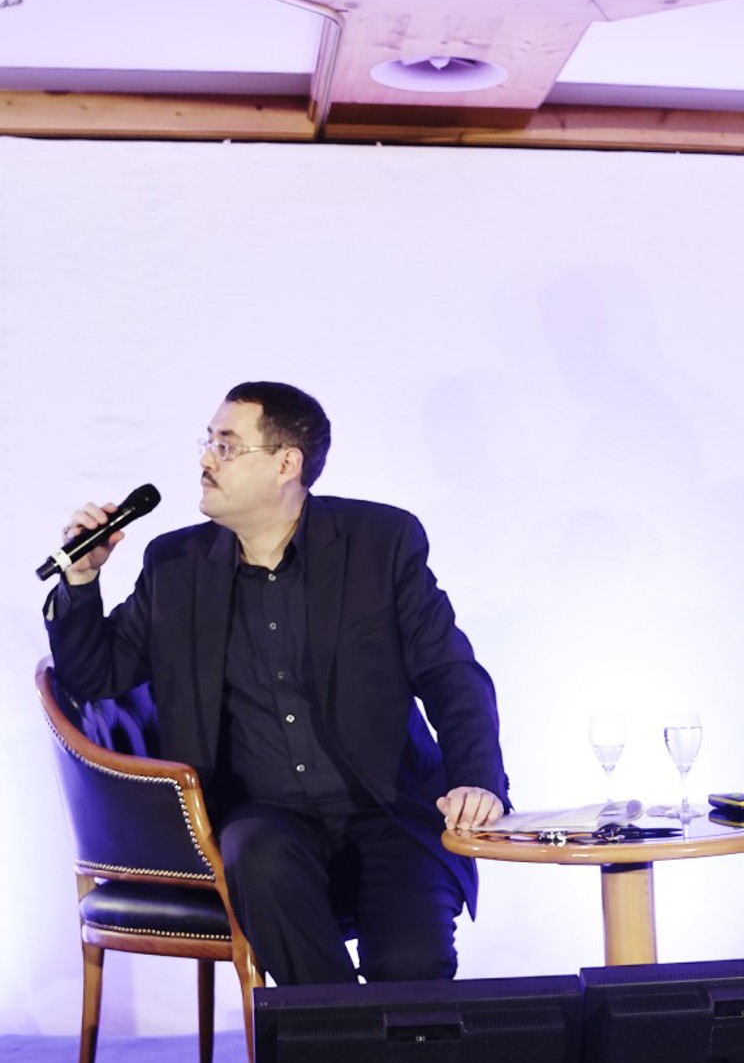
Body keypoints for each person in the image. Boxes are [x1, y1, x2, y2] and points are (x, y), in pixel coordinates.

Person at [44, 382, 509, 988]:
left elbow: (451, 674)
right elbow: (95, 676)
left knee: (411, 968)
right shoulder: (177, 565)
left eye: (226, 445)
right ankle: (332, 1034)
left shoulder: (380, 543)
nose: (206, 459)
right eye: (208, 442)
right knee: (257, 855)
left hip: (387, 808)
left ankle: (359, 1035)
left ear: (287, 463)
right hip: (266, 819)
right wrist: (80, 581)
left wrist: (476, 779)